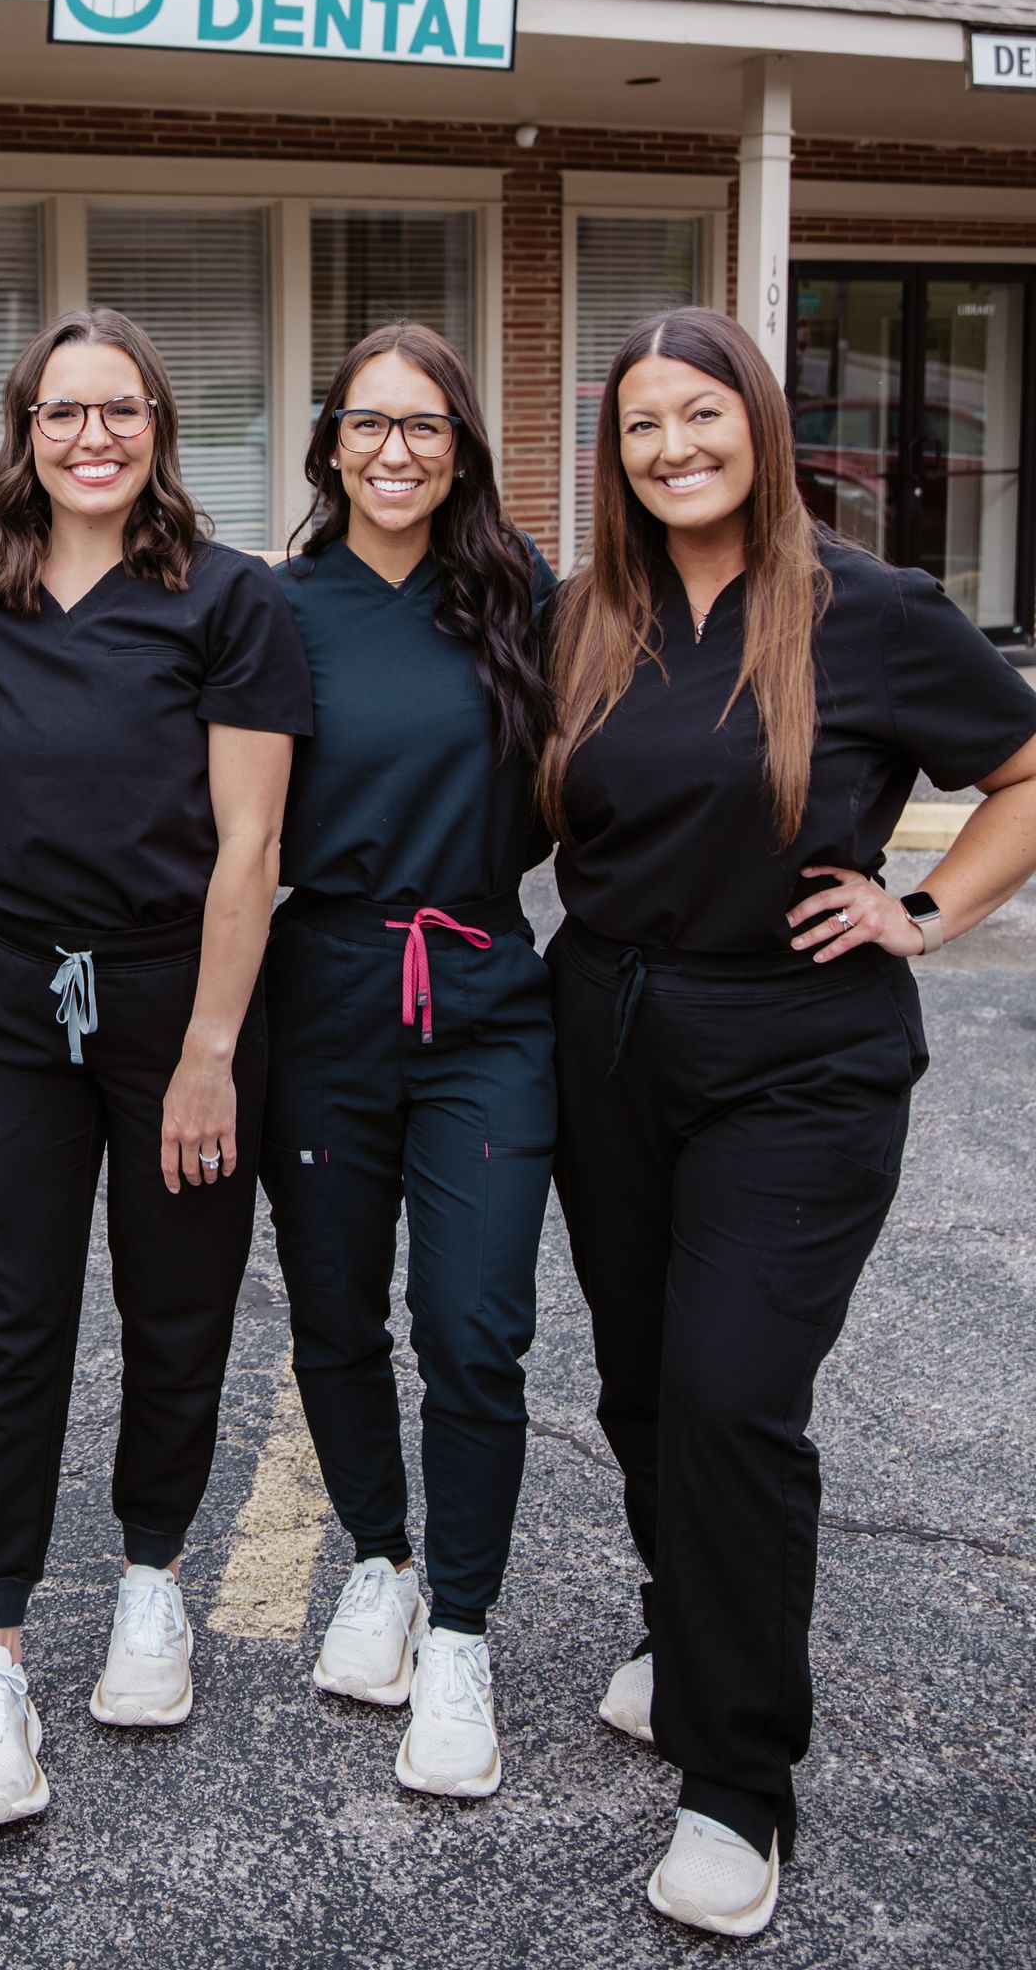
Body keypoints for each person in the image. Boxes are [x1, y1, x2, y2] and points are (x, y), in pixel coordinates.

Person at [542, 306, 1036, 1939]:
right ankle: (688, 1620)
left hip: (800, 1056)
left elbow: (1026, 771)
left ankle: (739, 1782)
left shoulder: (872, 612)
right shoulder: (587, 618)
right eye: (641, 429)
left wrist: (928, 906)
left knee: (731, 1395)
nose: (674, 449)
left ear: (756, 422)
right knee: (634, 1384)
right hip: (606, 1030)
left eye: (702, 416)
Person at [0, 308, 312, 1831]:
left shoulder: (228, 600)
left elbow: (252, 842)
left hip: (180, 1000)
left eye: (122, 411)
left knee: (177, 1307)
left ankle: (152, 1576)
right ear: (25, 432)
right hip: (12, 997)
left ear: (161, 427)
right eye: (62, 413)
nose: (93, 438)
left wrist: (211, 1052)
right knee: (15, 1318)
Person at [265, 322, 555, 1797]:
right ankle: (375, 1559)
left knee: (473, 1323)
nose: (395, 452)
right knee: (332, 1312)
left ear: (462, 450)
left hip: (489, 996)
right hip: (319, 990)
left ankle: (458, 1629)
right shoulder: (273, 607)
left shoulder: (523, 601)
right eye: (368, 426)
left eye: (426, 427)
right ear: (331, 445)